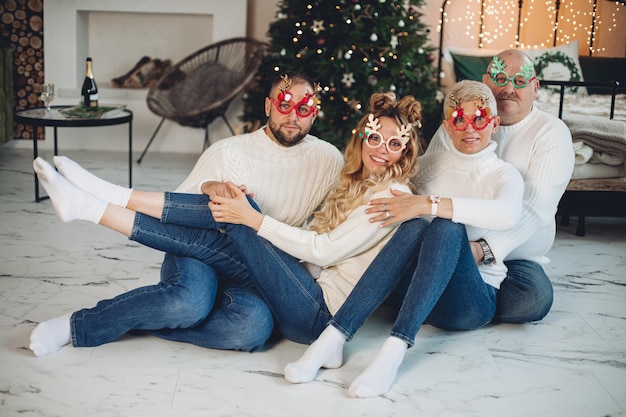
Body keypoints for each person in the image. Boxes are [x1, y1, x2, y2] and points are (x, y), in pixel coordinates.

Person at [32, 91, 422, 350]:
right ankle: (99, 202)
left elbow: (324, 248)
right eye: (375, 138)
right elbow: (189, 201)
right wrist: (215, 187)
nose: (382, 151)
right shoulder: (236, 148)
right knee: (219, 306)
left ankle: (96, 204)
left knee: (249, 311)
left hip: (296, 289)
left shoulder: (361, 180)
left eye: (394, 143)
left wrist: (253, 221)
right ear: (269, 104)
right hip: (226, 252)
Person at [284, 80, 525, 398]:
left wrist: (428, 204)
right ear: (447, 126)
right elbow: (384, 198)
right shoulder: (428, 166)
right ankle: (334, 338)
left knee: (445, 225)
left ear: (493, 124)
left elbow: (507, 215)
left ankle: (393, 351)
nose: (470, 128)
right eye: (459, 119)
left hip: (469, 301)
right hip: (414, 292)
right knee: (411, 226)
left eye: (479, 119)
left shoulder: (504, 175)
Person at [426, 49, 575, 323]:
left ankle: (450, 301)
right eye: (499, 77)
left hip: (516, 258)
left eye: (520, 81)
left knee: (532, 299)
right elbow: (427, 176)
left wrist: (483, 249)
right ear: (485, 81)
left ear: (535, 87)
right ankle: (463, 301)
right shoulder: (460, 124)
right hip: (452, 244)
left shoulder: (552, 132)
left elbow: (534, 208)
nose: (508, 88)